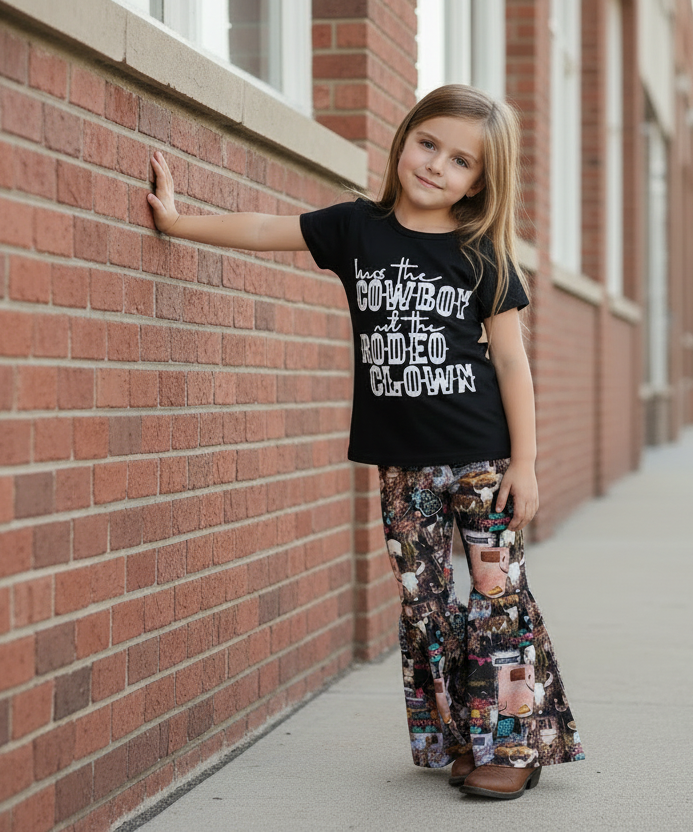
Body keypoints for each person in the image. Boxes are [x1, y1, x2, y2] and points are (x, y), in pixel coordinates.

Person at [147, 84, 583, 800]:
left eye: (461, 161)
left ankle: (515, 744)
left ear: (480, 182)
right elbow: (266, 228)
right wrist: (179, 221)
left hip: (482, 458)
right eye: (429, 143)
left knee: (496, 596)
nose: (438, 165)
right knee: (425, 605)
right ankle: (463, 743)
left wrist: (526, 464)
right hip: (401, 467)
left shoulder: (483, 254)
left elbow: (511, 362)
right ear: (404, 139)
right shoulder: (358, 229)